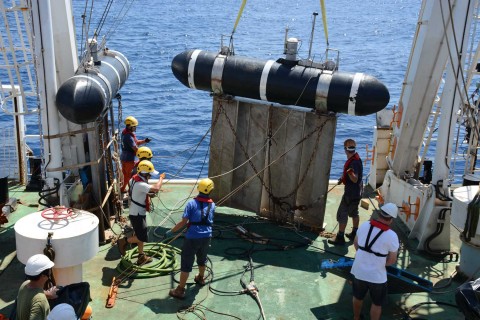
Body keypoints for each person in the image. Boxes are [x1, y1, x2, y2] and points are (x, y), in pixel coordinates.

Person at [350, 203, 400, 320]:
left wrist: (364, 256)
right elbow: (392, 260)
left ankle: (356, 318)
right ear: (391, 219)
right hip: (377, 276)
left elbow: (356, 244)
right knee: (377, 303)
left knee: (357, 297)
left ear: (379, 214)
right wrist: (380, 263)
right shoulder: (392, 236)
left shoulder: (364, 225)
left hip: (359, 271)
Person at [168, 178, 215, 299]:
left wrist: (171, 231)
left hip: (192, 238)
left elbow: (183, 222)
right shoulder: (212, 204)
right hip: (207, 237)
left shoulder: (191, 203)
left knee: (186, 263)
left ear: (198, 188)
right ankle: (200, 278)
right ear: (210, 190)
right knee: (202, 259)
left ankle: (180, 290)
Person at [117, 160, 165, 265]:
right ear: (145, 174)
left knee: (140, 234)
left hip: (136, 212)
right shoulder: (140, 184)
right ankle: (124, 241)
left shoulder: (133, 180)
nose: (150, 177)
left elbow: (137, 192)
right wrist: (161, 178)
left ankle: (141, 256)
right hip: (137, 214)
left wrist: (148, 193)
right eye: (149, 174)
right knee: (142, 237)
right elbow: (156, 188)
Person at [328, 138, 363, 245]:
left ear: (345, 149)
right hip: (357, 192)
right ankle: (354, 233)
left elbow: (355, 178)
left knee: (342, 214)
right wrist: (343, 178)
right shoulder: (357, 159)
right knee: (354, 212)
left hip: (350, 194)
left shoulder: (353, 163)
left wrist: (349, 173)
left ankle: (340, 237)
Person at [16, 254, 58, 320]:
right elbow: (38, 300)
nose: (50, 270)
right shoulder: (40, 301)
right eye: (49, 269)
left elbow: (33, 294)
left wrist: (48, 294)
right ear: (43, 275)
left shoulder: (24, 285)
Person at [120, 116, 150, 193]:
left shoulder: (124, 133)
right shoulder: (128, 137)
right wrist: (143, 155)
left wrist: (144, 141)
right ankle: (127, 190)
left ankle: (124, 189)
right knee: (129, 177)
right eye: (134, 126)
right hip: (128, 160)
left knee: (125, 175)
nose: (135, 128)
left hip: (124, 158)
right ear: (129, 126)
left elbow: (135, 143)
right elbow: (135, 148)